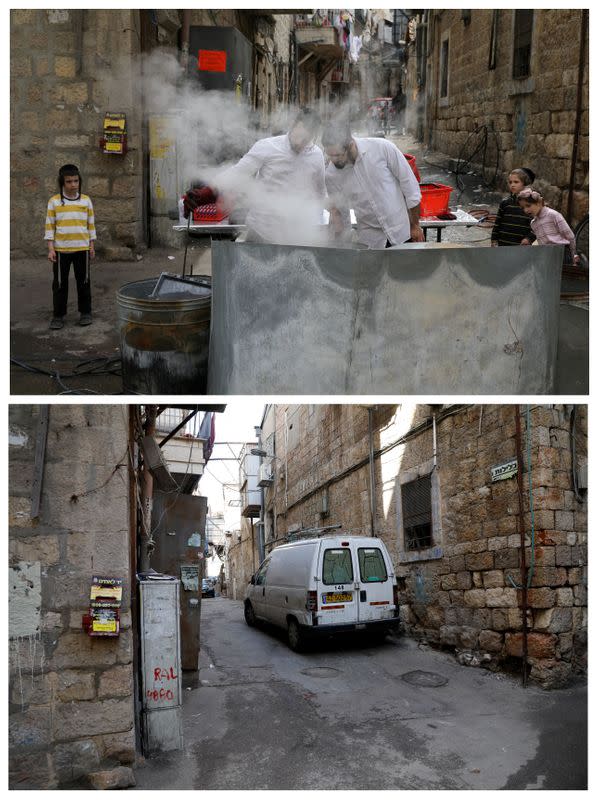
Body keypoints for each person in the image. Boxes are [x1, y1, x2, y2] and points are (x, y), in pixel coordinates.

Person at [184, 108, 326, 245]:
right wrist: (207, 193)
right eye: (298, 137)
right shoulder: (268, 147)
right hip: (261, 230)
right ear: (293, 126)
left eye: (305, 140)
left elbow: (318, 194)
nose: (300, 144)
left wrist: (318, 227)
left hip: (295, 234)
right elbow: (238, 173)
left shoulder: (316, 155)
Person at [322, 121, 424, 248]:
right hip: (370, 240)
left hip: (402, 232)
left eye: (337, 155)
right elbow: (343, 213)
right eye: (329, 155)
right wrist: (343, 243)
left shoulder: (382, 148)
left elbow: (409, 186)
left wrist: (415, 225)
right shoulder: (332, 175)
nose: (333, 160)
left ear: (350, 145)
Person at [44, 164, 96, 329]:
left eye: (76, 181)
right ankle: (58, 316)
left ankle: (85, 313)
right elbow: (50, 226)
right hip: (61, 251)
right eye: (69, 182)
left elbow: (90, 225)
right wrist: (51, 249)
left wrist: (91, 246)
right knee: (59, 284)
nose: (73, 185)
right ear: (62, 183)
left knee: (84, 282)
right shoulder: (54, 202)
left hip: (82, 249)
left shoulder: (86, 201)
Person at [517, 187, 579, 266]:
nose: (525, 210)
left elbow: (570, 236)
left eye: (528, 206)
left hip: (561, 254)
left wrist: (573, 255)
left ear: (539, 202)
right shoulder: (533, 223)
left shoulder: (553, 215)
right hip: (547, 256)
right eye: (523, 208)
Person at [491, 167, 536, 247]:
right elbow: (498, 223)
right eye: (510, 182)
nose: (512, 185)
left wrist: (529, 239)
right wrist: (494, 240)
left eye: (516, 182)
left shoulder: (531, 204)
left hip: (521, 246)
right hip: (503, 244)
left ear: (524, 183)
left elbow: (537, 225)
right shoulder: (505, 203)